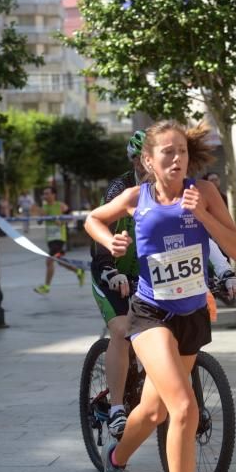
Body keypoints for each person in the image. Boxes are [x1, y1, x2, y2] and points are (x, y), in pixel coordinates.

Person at [85, 120, 236, 472]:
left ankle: (116, 460)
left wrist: (204, 215)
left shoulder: (206, 193)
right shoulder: (137, 197)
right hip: (150, 314)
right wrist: (110, 243)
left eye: (182, 152)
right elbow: (93, 219)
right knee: (183, 407)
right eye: (167, 153)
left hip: (191, 314)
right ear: (148, 161)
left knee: (153, 410)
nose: (177, 160)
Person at [89, 130, 147, 440]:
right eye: (142, 158)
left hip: (149, 277)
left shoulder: (170, 188)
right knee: (123, 331)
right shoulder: (120, 188)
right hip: (111, 273)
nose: (149, 164)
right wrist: (111, 270)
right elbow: (99, 230)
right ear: (135, 159)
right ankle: (115, 409)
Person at [32, 185, 85, 294]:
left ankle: (46, 287)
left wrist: (62, 222)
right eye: (44, 194)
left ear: (53, 194)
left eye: (47, 193)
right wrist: (40, 215)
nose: (45, 196)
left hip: (59, 238)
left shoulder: (60, 206)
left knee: (49, 261)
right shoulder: (44, 207)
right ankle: (79, 271)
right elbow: (39, 222)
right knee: (60, 261)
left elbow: (70, 217)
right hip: (50, 239)